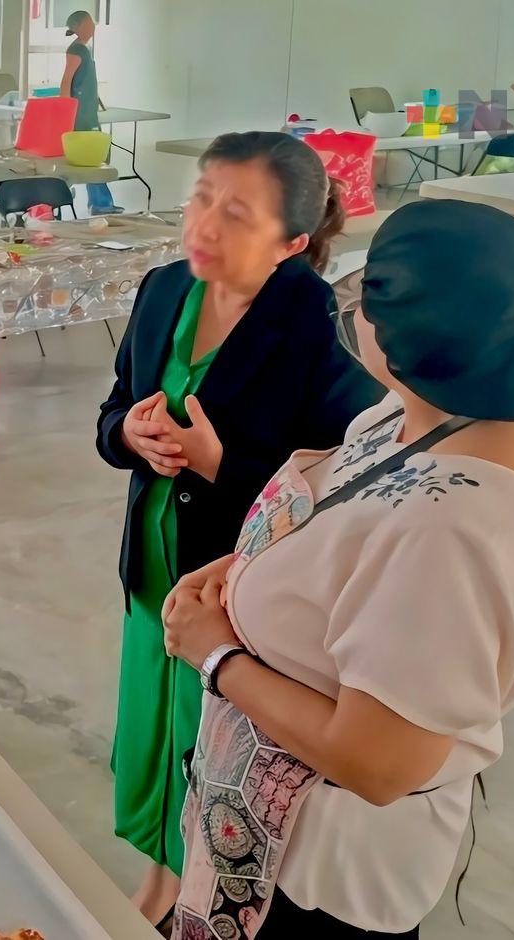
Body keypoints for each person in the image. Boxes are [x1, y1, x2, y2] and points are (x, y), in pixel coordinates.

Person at [163, 199, 514, 938]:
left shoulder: (448, 535)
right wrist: (256, 561)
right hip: (258, 820)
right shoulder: (451, 407)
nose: (354, 304)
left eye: (372, 296)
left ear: (414, 342)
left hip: (313, 877)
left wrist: (216, 654)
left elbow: (378, 762)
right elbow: (348, 517)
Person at [95, 131, 381, 925]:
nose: (205, 224)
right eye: (201, 197)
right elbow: (112, 410)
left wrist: (224, 465)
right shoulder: (161, 292)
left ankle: (200, 892)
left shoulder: (323, 331)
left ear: (292, 242)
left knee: (209, 749)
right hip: (153, 576)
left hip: (235, 595)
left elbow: (342, 491)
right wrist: (129, 436)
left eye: (236, 212)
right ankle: (157, 876)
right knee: (151, 735)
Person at [62, 11, 121, 215]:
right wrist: (65, 109)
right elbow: (67, 81)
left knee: (94, 158)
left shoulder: (83, 49)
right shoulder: (76, 50)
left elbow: (86, 81)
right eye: (89, 24)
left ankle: (100, 203)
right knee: (93, 159)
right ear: (78, 27)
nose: (93, 27)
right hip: (80, 114)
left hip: (87, 111)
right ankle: (101, 204)